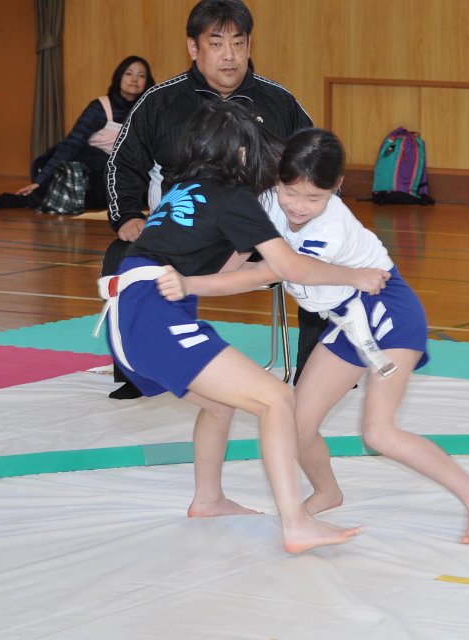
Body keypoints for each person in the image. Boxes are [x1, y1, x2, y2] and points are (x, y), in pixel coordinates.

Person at [98, 101, 390, 553]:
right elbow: (292, 267)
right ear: (240, 153)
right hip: (153, 313)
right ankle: (296, 523)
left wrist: (268, 263)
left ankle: (208, 499)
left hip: (128, 313)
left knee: (219, 404)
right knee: (277, 399)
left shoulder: (181, 190)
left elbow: (228, 270)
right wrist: (355, 276)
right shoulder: (234, 198)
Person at [253, 128, 469, 543]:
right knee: (296, 425)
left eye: (313, 198)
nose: (297, 206)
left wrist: (196, 283)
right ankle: (327, 491)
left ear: (337, 187)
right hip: (348, 317)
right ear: (277, 177)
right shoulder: (267, 201)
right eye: (290, 192)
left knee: (378, 432)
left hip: (389, 311)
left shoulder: (331, 227)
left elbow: (273, 272)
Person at [104, 0, 327, 400]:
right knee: (122, 253)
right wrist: (127, 217)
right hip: (184, 238)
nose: (230, 55)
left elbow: (316, 163)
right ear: (194, 47)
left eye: (238, 44)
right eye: (217, 43)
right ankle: (136, 371)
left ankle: (317, 370)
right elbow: (123, 163)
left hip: (260, 234)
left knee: (320, 253)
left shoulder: (279, 103)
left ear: (249, 45)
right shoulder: (160, 102)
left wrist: (308, 217)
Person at [0, 56, 154, 212]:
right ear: (119, 77)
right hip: (92, 167)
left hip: (125, 169)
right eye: (129, 73)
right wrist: (39, 181)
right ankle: (34, 197)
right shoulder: (99, 107)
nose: (134, 79)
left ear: (147, 82)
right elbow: (72, 144)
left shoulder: (149, 110)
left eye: (141, 76)